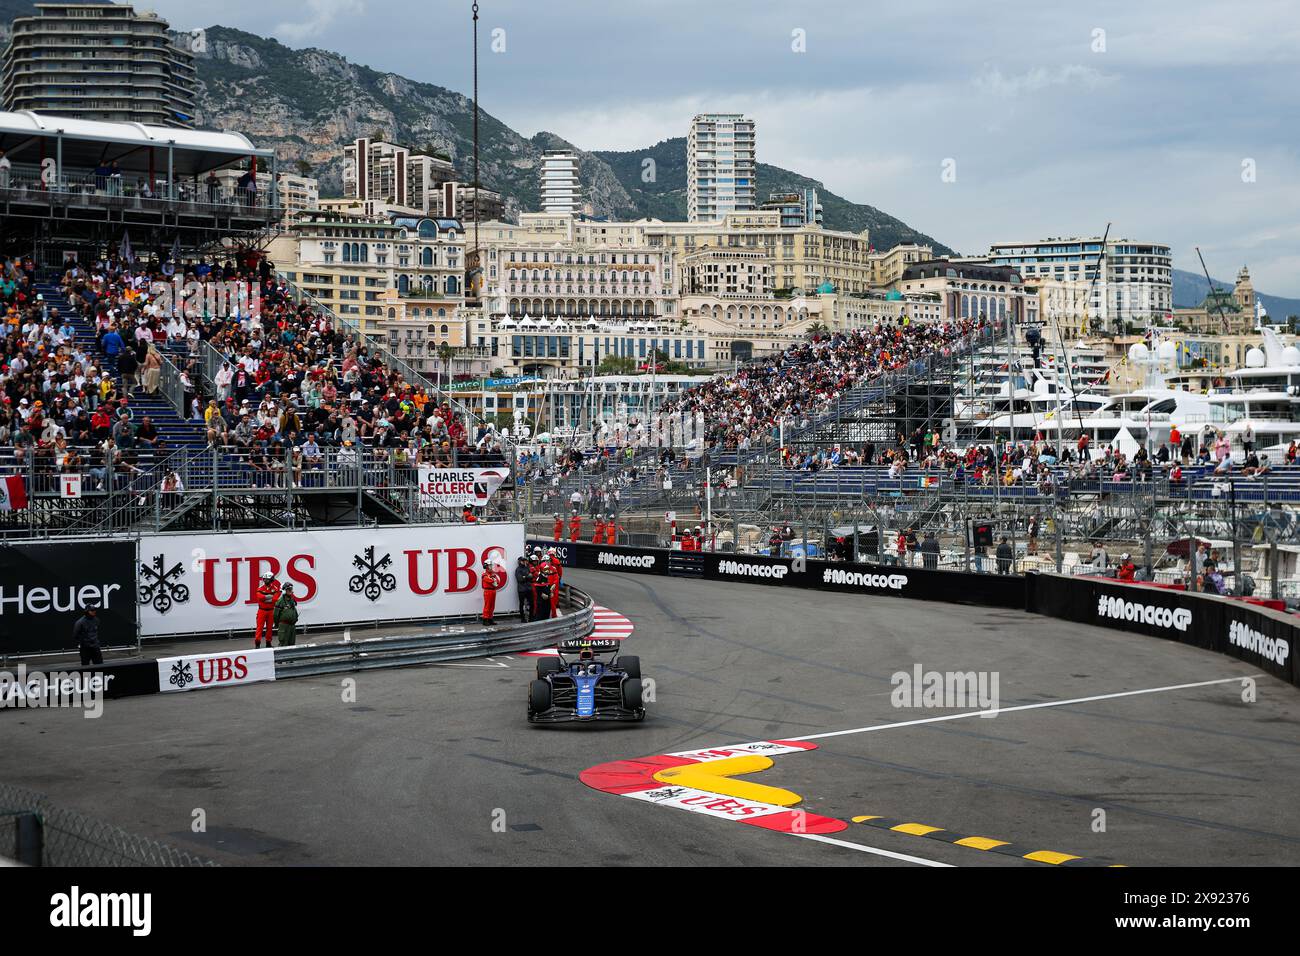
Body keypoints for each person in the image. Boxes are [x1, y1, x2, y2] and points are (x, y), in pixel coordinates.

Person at [254, 571, 281, 648]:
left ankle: (268, 642)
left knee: (269, 628)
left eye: (267, 579)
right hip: (261, 610)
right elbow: (260, 597)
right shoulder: (260, 588)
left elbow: (275, 599)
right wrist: (270, 597)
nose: (265, 581)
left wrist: (265, 598)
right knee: (260, 628)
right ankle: (257, 643)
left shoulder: (275, 588)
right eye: (264, 579)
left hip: (271, 611)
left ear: (272, 580)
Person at [480, 558, 505, 626]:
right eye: (489, 565)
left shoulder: (493, 574)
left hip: (493, 590)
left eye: (491, 565)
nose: (491, 567)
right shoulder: (484, 574)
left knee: (492, 606)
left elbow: (498, 582)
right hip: (487, 591)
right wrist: (493, 578)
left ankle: (490, 619)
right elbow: (490, 580)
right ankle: (485, 619)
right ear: (486, 566)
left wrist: (493, 579)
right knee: (487, 606)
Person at [515, 556, 534, 622]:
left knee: (532, 603)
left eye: (524, 560)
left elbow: (531, 577)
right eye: (523, 561)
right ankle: (522, 618)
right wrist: (527, 577)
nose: (524, 562)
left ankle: (531, 618)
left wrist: (525, 577)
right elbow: (520, 579)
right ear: (519, 561)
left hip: (528, 588)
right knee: (521, 604)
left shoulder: (527, 568)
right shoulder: (518, 569)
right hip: (522, 590)